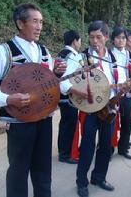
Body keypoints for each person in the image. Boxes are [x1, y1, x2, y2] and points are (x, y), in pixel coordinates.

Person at [0, 3, 66, 197]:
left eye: (41, 22)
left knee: (43, 169)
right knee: (18, 171)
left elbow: (48, 85)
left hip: (44, 119)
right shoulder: (4, 52)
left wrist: (57, 76)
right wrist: (8, 98)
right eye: (34, 21)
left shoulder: (44, 51)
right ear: (20, 23)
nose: (39, 27)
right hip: (19, 123)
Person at [61, 21, 118, 197]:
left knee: (106, 146)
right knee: (87, 146)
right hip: (89, 108)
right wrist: (75, 90)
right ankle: (82, 182)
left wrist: (121, 88)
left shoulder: (112, 58)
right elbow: (63, 81)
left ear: (106, 37)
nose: (95, 41)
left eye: (99, 37)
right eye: (92, 37)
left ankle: (99, 177)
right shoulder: (80, 57)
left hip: (108, 107)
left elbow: (116, 82)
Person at [111, 27, 131, 160]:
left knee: (127, 121)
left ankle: (123, 148)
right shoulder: (108, 54)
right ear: (113, 40)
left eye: (123, 38)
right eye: (118, 37)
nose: (121, 40)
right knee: (109, 122)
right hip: (112, 95)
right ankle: (108, 149)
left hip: (127, 95)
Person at [56, 30, 82, 164]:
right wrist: (77, 92)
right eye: (79, 41)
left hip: (61, 96)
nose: (80, 44)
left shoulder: (61, 53)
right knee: (69, 125)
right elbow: (65, 78)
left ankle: (64, 151)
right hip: (69, 95)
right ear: (74, 41)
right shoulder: (72, 56)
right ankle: (65, 154)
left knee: (65, 124)